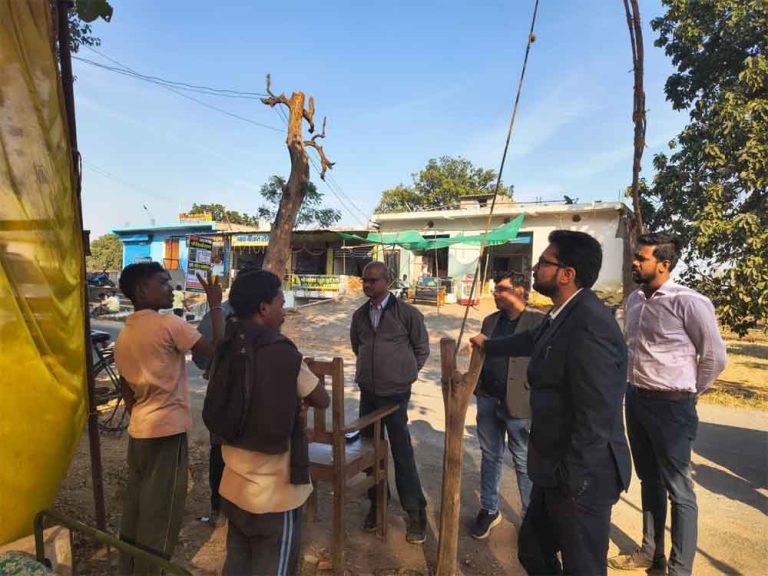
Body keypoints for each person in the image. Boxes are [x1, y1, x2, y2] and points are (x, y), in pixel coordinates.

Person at [470, 230, 631, 576]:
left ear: (566, 274)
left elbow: (597, 413)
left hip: (581, 476)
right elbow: (532, 339)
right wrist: (489, 344)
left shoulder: (590, 323)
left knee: (583, 566)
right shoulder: (563, 314)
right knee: (533, 550)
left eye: (543, 262)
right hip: (554, 468)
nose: (534, 269)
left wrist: (575, 481)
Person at [608, 233, 727, 576]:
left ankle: (679, 568)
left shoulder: (689, 301)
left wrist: (690, 393)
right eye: (635, 256)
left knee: (679, 489)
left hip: (672, 405)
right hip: (637, 399)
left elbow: (715, 357)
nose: (634, 262)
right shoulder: (634, 301)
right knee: (649, 480)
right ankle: (651, 552)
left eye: (641, 258)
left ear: (664, 264)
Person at [215, 270, 330, 576]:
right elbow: (321, 399)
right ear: (264, 308)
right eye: (280, 300)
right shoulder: (282, 353)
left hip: (233, 487)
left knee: (237, 564)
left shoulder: (227, 345)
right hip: (274, 496)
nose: (284, 306)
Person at [114, 262, 222, 574]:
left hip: (140, 431)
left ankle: (128, 567)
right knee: (161, 512)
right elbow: (217, 350)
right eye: (162, 283)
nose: (170, 289)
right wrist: (215, 303)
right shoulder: (169, 325)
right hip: (167, 433)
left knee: (136, 506)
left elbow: (125, 386)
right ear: (141, 290)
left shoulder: (126, 332)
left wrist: (141, 413)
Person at [350, 261, 430, 544]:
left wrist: (404, 374)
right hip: (369, 392)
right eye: (364, 280)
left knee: (401, 452)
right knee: (370, 451)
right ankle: (377, 505)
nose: (367, 285)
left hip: (395, 395)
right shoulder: (360, 315)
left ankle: (416, 514)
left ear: (387, 282)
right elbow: (356, 346)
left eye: (372, 280)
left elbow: (421, 349)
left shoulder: (407, 313)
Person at [470, 272, 545, 539]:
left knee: (523, 461)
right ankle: (489, 509)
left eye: (502, 289)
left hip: (520, 403)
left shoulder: (537, 322)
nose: (496, 293)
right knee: (490, 456)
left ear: (521, 290)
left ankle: (530, 517)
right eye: (496, 289)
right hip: (489, 399)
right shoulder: (490, 321)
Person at [192, 299, 236, 525]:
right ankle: (227, 510)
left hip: (218, 397)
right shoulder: (246, 318)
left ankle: (218, 508)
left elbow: (200, 358)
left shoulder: (217, 313)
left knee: (218, 453)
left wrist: (211, 368)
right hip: (231, 398)